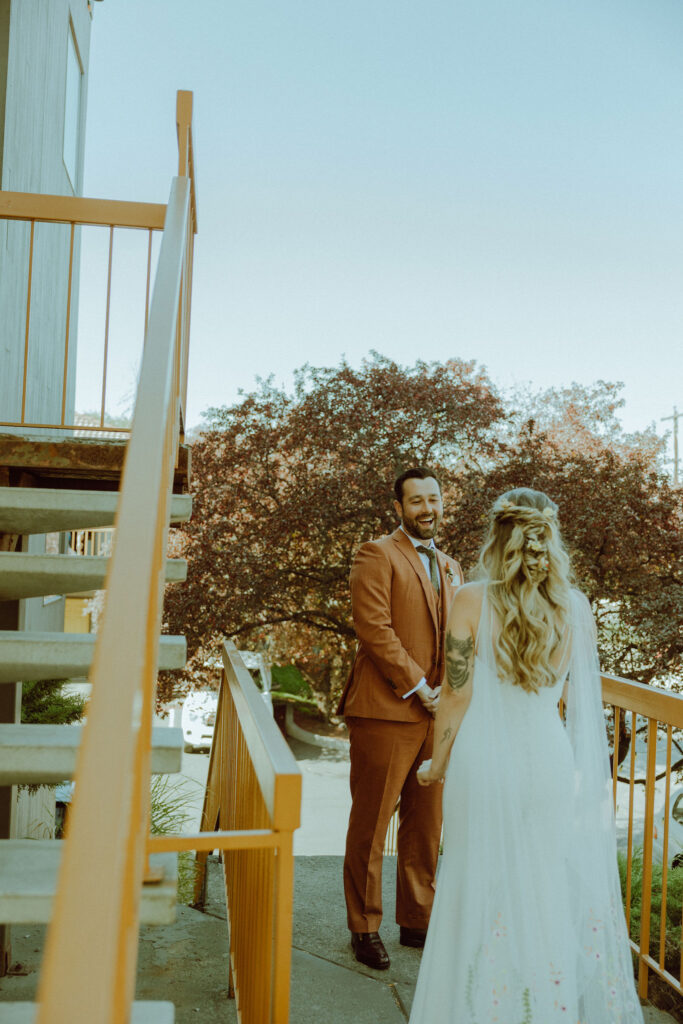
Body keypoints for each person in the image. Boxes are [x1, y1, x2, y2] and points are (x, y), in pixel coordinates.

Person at [410, 488, 644, 1023]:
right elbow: (568, 698)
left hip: (484, 765)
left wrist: (435, 767)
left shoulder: (469, 599)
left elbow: (456, 694)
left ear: (497, 537)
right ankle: (543, 1009)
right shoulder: (575, 607)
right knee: (543, 886)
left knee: (479, 881)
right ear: (549, 537)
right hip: (548, 761)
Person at [337, 467, 464, 971]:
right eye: (416, 501)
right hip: (386, 709)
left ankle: (417, 920)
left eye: (433, 498)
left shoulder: (453, 567)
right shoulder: (377, 554)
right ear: (399, 508)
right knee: (371, 823)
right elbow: (374, 629)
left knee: (426, 822)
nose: (426, 509)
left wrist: (452, 696)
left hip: (439, 714)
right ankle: (364, 928)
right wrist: (421, 688)